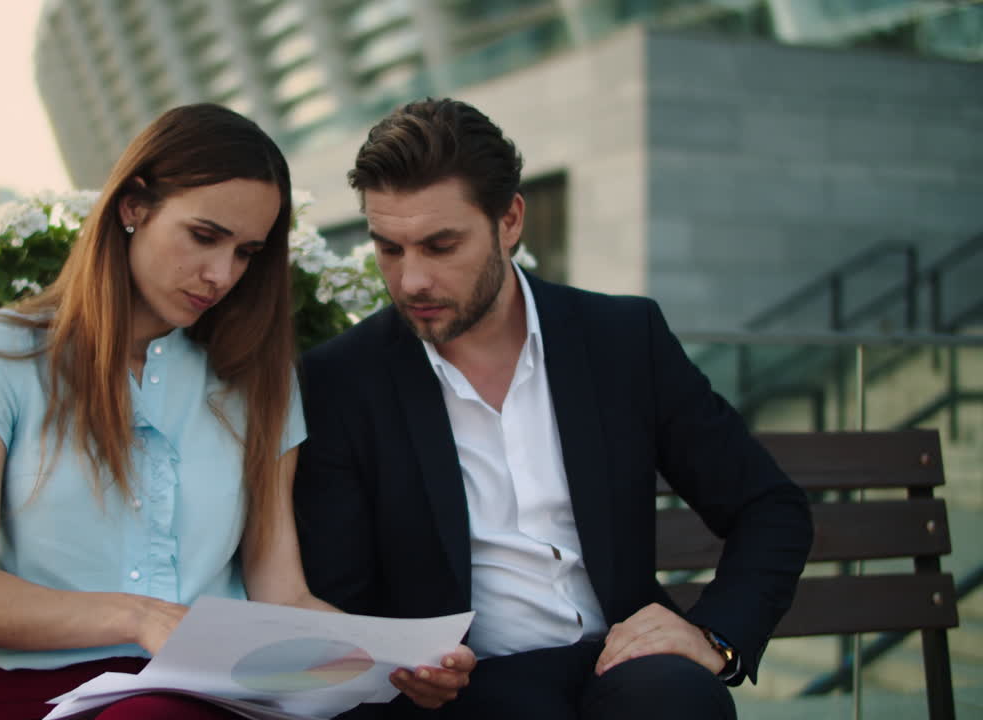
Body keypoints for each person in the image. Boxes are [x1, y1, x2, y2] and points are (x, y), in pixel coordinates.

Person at [0, 103, 471, 720]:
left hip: (215, 695)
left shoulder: (255, 380)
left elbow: (281, 592)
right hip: (47, 700)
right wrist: (136, 617)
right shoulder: (3, 356)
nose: (221, 274)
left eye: (247, 253)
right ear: (134, 207)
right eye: (205, 236)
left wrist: (394, 661)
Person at [293, 98, 814, 719]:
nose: (411, 281)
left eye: (440, 245)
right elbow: (340, 603)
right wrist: (403, 668)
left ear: (510, 221)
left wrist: (714, 637)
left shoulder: (621, 338)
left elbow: (769, 507)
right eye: (390, 249)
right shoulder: (341, 381)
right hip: (469, 691)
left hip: (623, 667)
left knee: (677, 701)